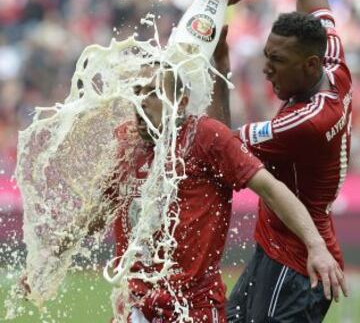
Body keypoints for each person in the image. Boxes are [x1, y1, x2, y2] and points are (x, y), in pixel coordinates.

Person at [107, 58, 346, 323]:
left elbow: (271, 189)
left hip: (191, 308)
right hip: (135, 305)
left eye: (153, 92)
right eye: (137, 91)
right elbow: (98, 210)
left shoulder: (205, 137)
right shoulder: (126, 143)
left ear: (181, 102)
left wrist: (316, 246)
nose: (141, 101)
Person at [204, 0, 351, 321]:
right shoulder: (332, 61)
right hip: (279, 248)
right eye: (267, 54)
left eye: (278, 61)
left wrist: (219, 71)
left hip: (296, 265)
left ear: (309, 65)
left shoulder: (306, 122)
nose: (266, 70)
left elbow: (220, 146)